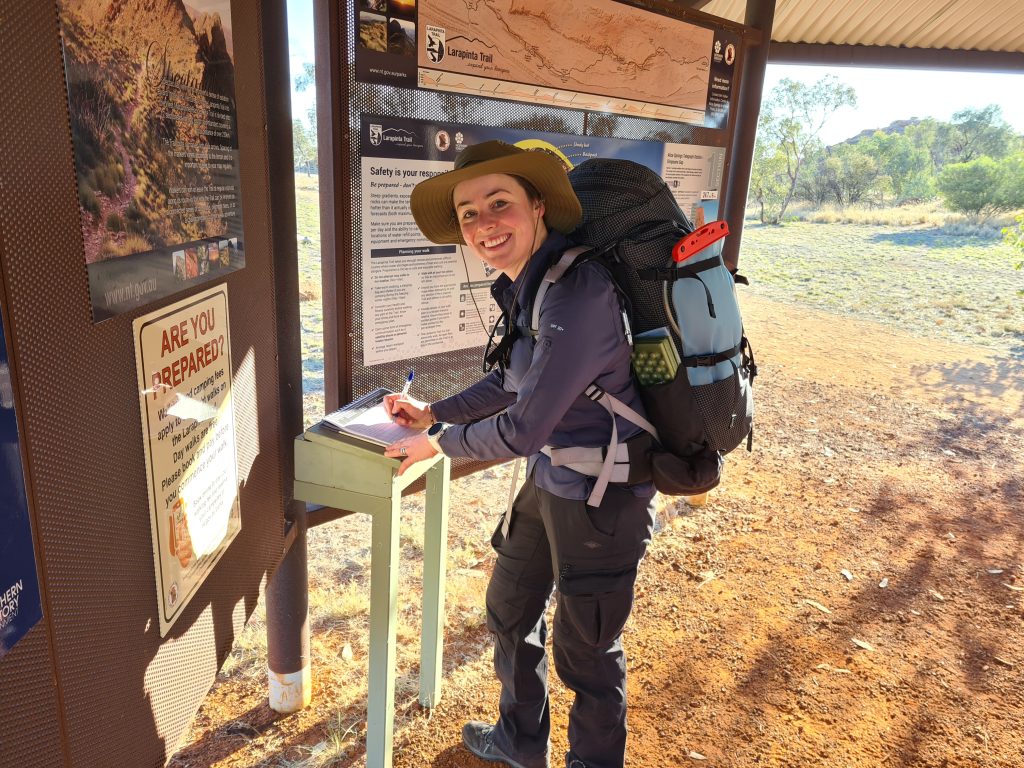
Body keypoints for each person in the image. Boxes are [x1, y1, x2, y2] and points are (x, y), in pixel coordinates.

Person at [383, 141, 656, 768]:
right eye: (469, 213)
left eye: (499, 203)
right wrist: (436, 413)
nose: (483, 224)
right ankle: (520, 740)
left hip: (602, 496)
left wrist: (435, 446)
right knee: (509, 609)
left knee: (585, 653)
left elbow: (525, 426)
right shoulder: (533, 286)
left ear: (538, 207)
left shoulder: (577, 292)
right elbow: (512, 382)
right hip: (553, 480)